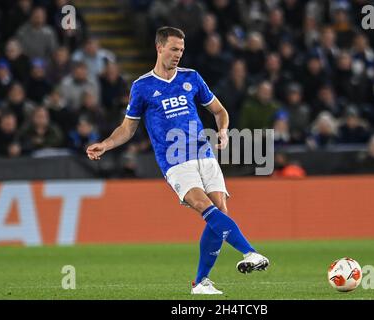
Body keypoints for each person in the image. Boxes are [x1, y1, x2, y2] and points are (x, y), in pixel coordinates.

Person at [86, 27, 269, 295]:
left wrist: (222, 131)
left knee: (219, 213)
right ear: (159, 48)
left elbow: (219, 111)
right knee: (206, 208)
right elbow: (127, 129)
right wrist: (106, 143)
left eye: (181, 50)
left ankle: (201, 283)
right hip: (175, 161)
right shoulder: (142, 86)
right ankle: (250, 253)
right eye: (173, 49)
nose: (178, 55)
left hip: (204, 154)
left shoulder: (191, 77)